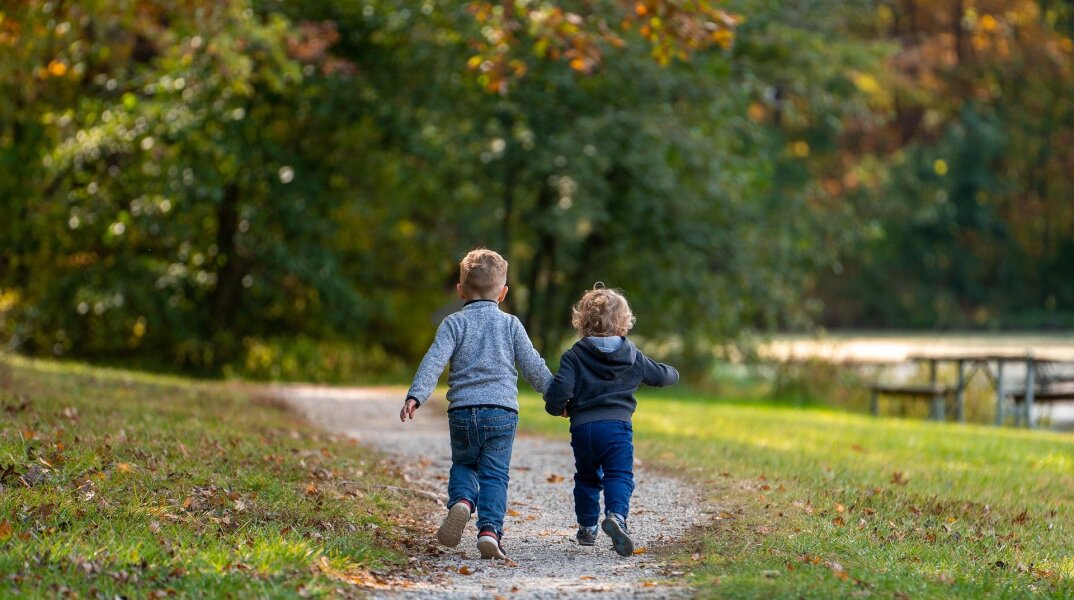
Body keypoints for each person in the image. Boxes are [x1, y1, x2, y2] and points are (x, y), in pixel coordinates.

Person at [400, 248, 552, 559]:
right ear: (504, 293)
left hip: (462, 412)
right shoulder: (511, 325)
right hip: (502, 413)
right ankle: (489, 531)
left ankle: (462, 501)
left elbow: (433, 362)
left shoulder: (453, 324)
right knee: (495, 474)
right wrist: (556, 396)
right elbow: (532, 365)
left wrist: (416, 395)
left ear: (460, 290)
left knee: (464, 463)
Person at [543, 284, 679, 557]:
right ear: (624, 323)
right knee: (619, 474)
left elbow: (560, 391)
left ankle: (588, 528)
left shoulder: (574, 355)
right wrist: (674, 373)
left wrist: (558, 408)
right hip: (617, 429)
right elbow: (661, 376)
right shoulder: (632, 356)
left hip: (583, 430)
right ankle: (616, 516)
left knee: (586, 477)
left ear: (582, 322)